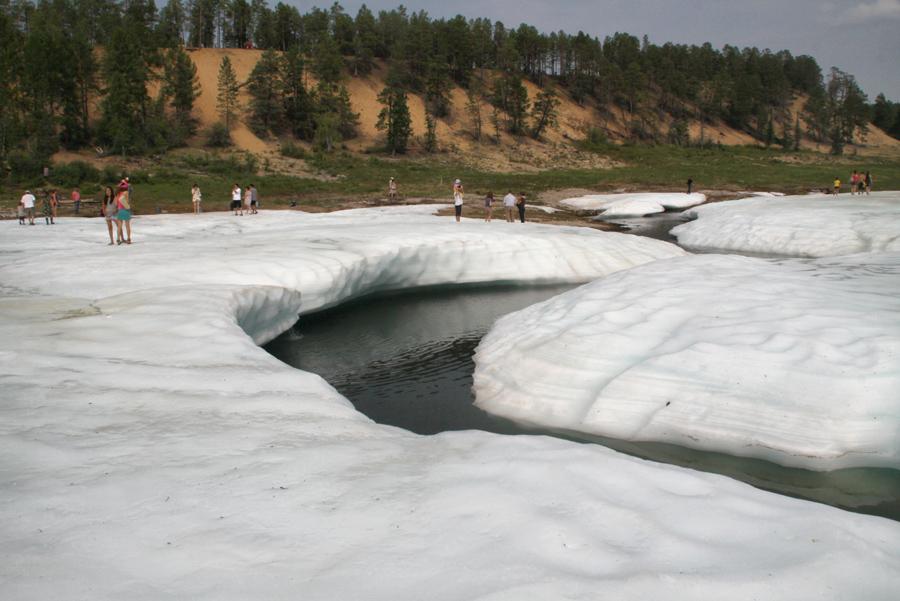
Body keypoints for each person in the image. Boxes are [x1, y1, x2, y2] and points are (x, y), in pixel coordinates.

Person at [115, 180, 132, 244]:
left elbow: (116, 203)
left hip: (120, 210)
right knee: (127, 225)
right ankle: (128, 239)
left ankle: (118, 239)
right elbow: (127, 201)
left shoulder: (118, 194)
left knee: (119, 226)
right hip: (126, 210)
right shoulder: (126, 192)